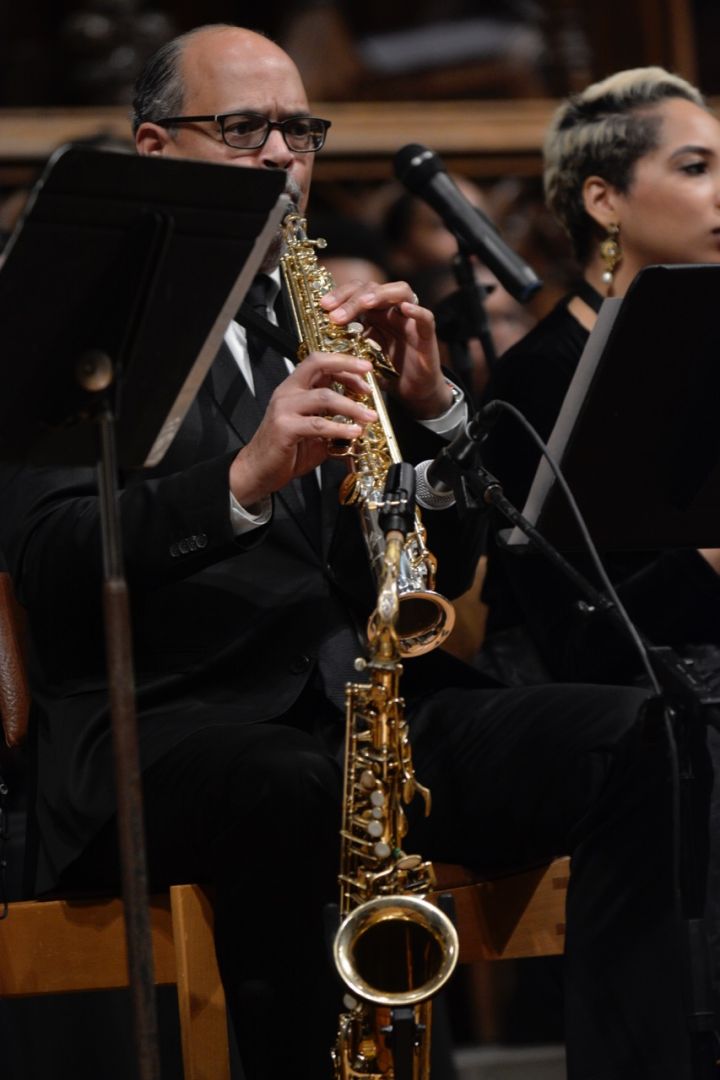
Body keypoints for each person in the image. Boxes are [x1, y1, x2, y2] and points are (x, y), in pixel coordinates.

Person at [0, 28, 704, 1080]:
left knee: (649, 729)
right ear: (154, 149)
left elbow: (441, 563)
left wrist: (433, 417)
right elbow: (49, 558)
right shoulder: (70, 326)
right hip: (169, 725)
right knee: (296, 789)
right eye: (244, 130)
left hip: (355, 705)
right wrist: (241, 481)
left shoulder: (309, 313)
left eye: (299, 129)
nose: (284, 153)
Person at [479, 64, 720, 1028]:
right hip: (625, 698)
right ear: (603, 199)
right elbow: (582, 625)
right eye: (698, 167)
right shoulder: (537, 379)